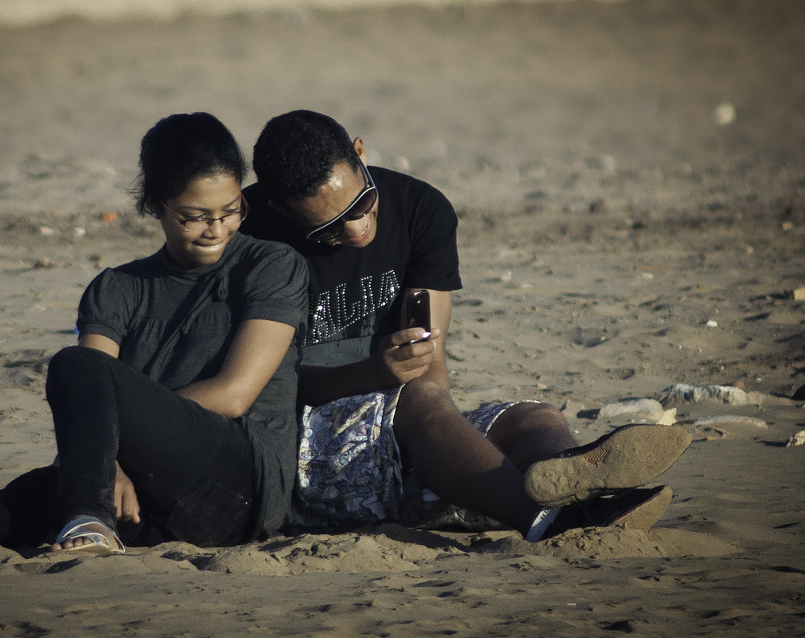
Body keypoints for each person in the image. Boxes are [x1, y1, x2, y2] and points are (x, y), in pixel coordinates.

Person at [0, 112, 308, 554]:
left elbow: (234, 395)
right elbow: (89, 391)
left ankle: (87, 518)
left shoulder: (271, 266)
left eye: (232, 211)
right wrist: (109, 465)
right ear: (155, 204)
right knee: (53, 481)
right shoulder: (117, 288)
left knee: (78, 391)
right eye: (195, 216)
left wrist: (112, 451)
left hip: (236, 491)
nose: (218, 229)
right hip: (146, 499)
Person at [242, 109, 691, 540]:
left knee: (534, 418)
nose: (358, 229)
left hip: (400, 422)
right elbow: (263, 385)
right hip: (306, 446)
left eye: (363, 202)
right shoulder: (251, 239)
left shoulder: (420, 209)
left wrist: (432, 471)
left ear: (360, 151)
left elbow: (430, 358)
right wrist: (377, 375)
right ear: (281, 208)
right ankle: (548, 522)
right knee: (416, 399)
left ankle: (574, 480)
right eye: (330, 229)